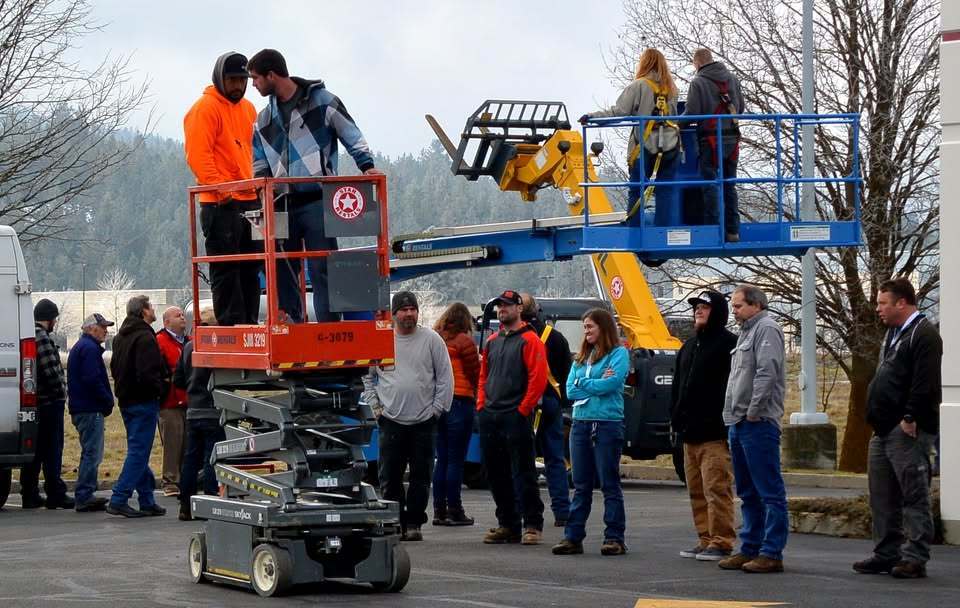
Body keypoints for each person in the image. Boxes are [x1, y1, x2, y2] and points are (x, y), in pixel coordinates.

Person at [249, 48, 383, 323]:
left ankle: (328, 327)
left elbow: (350, 133)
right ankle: (292, 325)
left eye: (256, 78)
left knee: (323, 265)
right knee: (282, 267)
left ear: (271, 75)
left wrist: (366, 165)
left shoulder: (322, 102)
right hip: (281, 202)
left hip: (318, 198)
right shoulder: (264, 118)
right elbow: (258, 157)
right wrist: (263, 188)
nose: (253, 85)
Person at [853, 278, 941, 579]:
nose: (878, 309)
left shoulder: (924, 335)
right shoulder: (893, 333)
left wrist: (910, 417)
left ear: (901, 303)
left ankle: (915, 557)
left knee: (913, 493)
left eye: (883, 303)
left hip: (906, 429)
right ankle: (886, 553)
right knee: (882, 494)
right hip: (882, 429)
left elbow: (925, 382)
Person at [363, 291, 454, 541]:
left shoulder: (432, 340)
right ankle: (395, 522)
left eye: (413, 309)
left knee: (421, 477)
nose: (409, 314)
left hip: (424, 422)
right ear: (394, 314)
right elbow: (367, 377)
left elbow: (445, 377)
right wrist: (376, 409)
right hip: (391, 421)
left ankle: (414, 523)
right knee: (389, 477)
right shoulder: (382, 340)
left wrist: (437, 410)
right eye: (404, 310)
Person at [184, 51, 260, 326]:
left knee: (252, 267)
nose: (238, 85)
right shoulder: (204, 108)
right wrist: (222, 189)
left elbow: (257, 151)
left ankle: (250, 322)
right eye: (232, 80)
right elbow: (198, 156)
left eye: (243, 79)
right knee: (226, 268)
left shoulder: (249, 109)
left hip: (250, 198)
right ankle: (232, 325)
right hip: (220, 202)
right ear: (220, 78)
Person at [718, 285, 787, 573]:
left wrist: (754, 411)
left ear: (756, 305)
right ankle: (749, 547)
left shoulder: (766, 329)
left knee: (768, 491)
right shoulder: (746, 332)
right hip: (738, 421)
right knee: (747, 491)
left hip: (757, 423)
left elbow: (766, 372)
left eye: (738, 306)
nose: (733, 311)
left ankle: (771, 552)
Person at [552, 308, 630, 557]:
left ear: (603, 328)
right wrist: (593, 383)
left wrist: (584, 383)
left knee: (609, 482)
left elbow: (612, 383)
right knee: (581, 484)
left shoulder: (618, 354)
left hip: (606, 424)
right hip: (581, 423)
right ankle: (573, 537)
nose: (585, 331)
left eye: (590, 326)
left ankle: (614, 537)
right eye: (584, 327)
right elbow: (570, 390)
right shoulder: (580, 358)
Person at [477, 290, 547, 546]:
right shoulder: (492, 341)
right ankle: (507, 524)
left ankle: (532, 524)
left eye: (507, 305)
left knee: (523, 472)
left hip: (515, 415)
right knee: (495, 474)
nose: (502, 309)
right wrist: (481, 405)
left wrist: (522, 410)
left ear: (519, 309)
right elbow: (483, 375)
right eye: (499, 306)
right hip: (490, 414)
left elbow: (538, 379)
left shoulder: (530, 340)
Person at [671, 291, 737, 561]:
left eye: (705, 307)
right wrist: (675, 418)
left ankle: (722, 541)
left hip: (714, 433)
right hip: (689, 432)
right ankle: (706, 538)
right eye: (696, 307)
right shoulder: (688, 346)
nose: (698, 310)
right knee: (696, 490)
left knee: (717, 489)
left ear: (718, 312)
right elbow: (677, 386)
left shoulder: (730, 345)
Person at [581, 48, 680, 227]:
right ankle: (662, 232)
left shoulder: (638, 86)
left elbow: (619, 112)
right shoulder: (672, 89)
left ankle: (634, 231)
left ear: (644, 63)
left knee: (636, 190)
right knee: (665, 191)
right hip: (671, 146)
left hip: (644, 146)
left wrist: (592, 117)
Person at [107, 296, 167, 518]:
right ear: (144, 311)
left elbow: (115, 367)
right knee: (139, 452)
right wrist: (160, 388)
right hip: (143, 401)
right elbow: (148, 373)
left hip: (126, 400)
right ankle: (119, 498)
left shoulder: (120, 337)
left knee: (138, 449)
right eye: (151, 307)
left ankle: (147, 499)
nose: (154, 310)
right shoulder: (145, 337)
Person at [520, 293, 572, 527]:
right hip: (551, 401)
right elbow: (566, 371)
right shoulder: (556, 337)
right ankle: (562, 511)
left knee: (523, 460)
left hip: (524, 403)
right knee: (555, 459)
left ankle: (527, 511)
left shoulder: (517, 336)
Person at [684, 48, 744, 242]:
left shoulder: (698, 82)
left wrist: (674, 124)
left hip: (709, 141)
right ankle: (732, 231)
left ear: (698, 63)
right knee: (729, 185)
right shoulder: (733, 79)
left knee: (710, 185)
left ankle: (712, 232)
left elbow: (692, 114)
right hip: (732, 140)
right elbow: (740, 108)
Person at [19, 299, 74, 510]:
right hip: (50, 402)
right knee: (52, 450)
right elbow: (51, 372)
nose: (55, 323)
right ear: (49, 319)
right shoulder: (42, 337)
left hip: (36, 402)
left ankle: (29, 493)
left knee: (36, 452)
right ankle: (55, 493)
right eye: (54, 319)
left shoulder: (29, 335)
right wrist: (62, 393)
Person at [431, 302, 480, 526]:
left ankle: (439, 510)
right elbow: (474, 372)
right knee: (456, 460)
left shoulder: (436, 340)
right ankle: (455, 509)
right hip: (461, 400)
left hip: (439, 402)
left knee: (441, 459)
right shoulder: (464, 341)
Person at [176, 308, 224, 521]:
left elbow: (178, 379)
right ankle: (210, 502)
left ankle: (185, 505)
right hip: (213, 409)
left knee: (190, 459)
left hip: (193, 410)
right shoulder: (217, 344)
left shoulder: (188, 346)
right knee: (211, 458)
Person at [67, 313, 116, 512]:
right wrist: (107, 399)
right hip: (89, 408)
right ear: (91, 328)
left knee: (89, 451)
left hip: (82, 407)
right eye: (102, 327)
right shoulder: (89, 349)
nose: (106, 331)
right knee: (92, 453)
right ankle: (85, 494)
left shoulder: (83, 347)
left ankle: (86, 492)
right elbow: (92, 379)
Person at [155, 306, 189, 497]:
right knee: (172, 443)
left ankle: (185, 479)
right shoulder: (160, 341)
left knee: (187, 443)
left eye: (183, 315)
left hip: (188, 400)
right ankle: (170, 481)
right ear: (167, 322)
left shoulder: (188, 341)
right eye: (178, 316)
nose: (183, 317)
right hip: (169, 402)